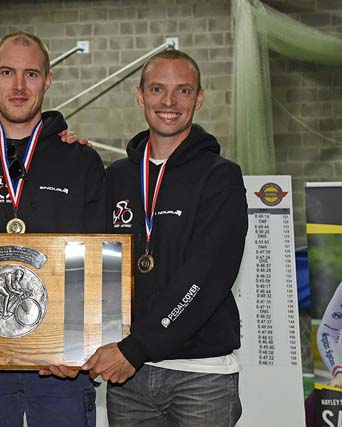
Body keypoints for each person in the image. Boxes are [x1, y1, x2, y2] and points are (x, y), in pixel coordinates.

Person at [0, 31, 105, 427]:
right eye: (8, 72)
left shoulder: (80, 160)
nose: (19, 86)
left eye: (31, 74)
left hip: (61, 366)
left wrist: (84, 349)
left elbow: (99, 265)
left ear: (48, 81)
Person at [83, 49, 247, 426]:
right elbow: (94, 263)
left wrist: (136, 348)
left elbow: (206, 276)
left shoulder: (220, 177)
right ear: (140, 96)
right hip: (129, 376)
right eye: (157, 89)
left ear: (199, 98)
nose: (169, 102)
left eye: (183, 91)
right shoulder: (118, 177)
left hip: (201, 375)